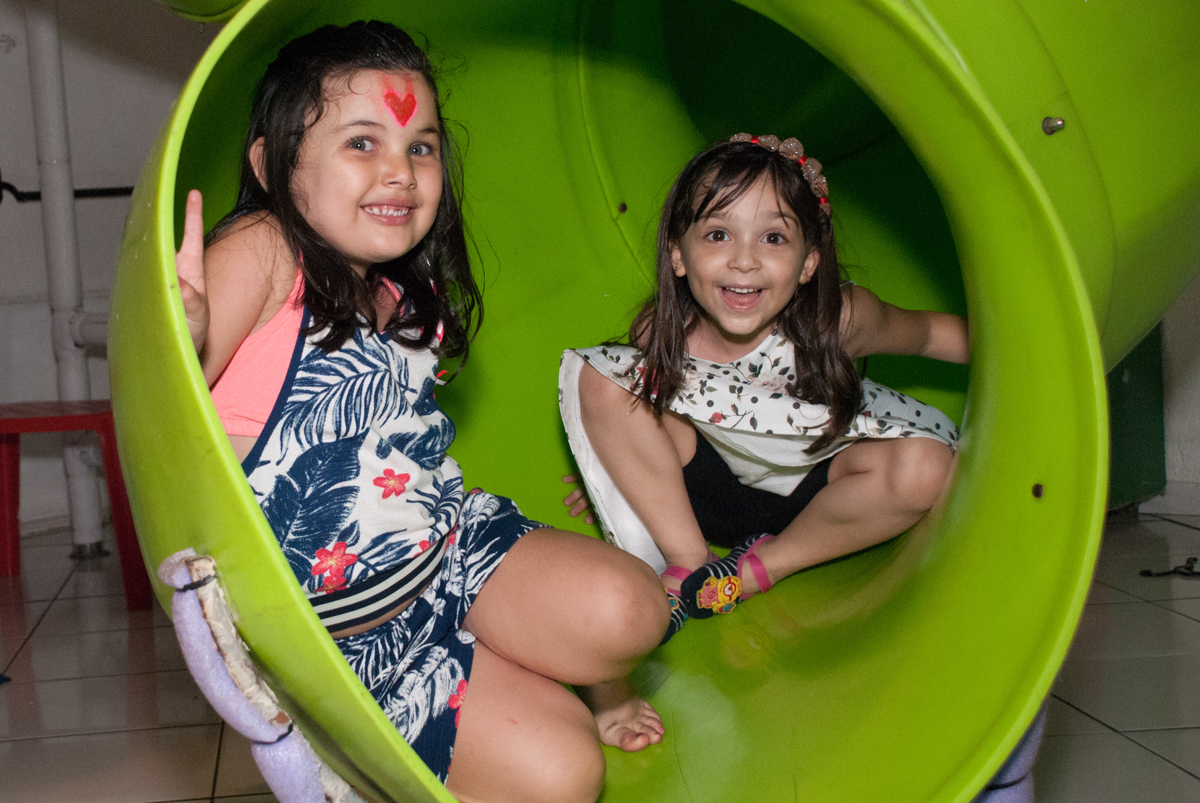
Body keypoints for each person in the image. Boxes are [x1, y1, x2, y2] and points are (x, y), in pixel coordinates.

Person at [173, 21, 669, 803]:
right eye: (362, 143)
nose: (400, 172)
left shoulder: (401, 288)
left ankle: (547, 661)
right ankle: (440, 714)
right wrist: (185, 334)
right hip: (349, 635)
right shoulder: (264, 251)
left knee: (636, 606)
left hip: (451, 554)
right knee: (566, 775)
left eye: (422, 147)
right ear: (272, 166)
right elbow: (172, 411)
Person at [559, 133, 968, 642]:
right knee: (608, 379)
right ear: (679, 256)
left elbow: (929, 335)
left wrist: (1030, 360)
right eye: (718, 235)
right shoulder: (663, 329)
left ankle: (766, 565)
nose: (744, 261)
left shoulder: (839, 319)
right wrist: (613, 473)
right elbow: (629, 420)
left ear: (809, 263)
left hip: (826, 499)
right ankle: (690, 560)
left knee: (925, 469)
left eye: (773, 238)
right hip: (708, 496)